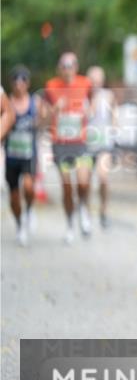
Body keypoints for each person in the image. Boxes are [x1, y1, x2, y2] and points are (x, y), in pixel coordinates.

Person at [44, 52, 94, 243]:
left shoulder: (85, 83)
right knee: (67, 187)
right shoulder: (51, 86)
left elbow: (92, 104)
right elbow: (44, 117)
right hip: (61, 144)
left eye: (70, 65)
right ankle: (70, 224)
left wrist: (88, 110)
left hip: (80, 142)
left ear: (76, 67)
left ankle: (83, 208)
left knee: (82, 182)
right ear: (59, 69)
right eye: (63, 66)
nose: (67, 69)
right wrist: (55, 109)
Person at [4, 67, 40, 246]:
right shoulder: (5, 104)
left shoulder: (35, 102)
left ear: (28, 83)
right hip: (12, 156)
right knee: (14, 197)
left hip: (29, 155)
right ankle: (19, 225)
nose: (19, 83)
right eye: (16, 80)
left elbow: (45, 122)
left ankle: (30, 210)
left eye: (23, 80)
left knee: (28, 186)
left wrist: (44, 118)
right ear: (11, 83)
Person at [86, 66, 118, 228]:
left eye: (98, 80)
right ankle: (85, 211)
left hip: (104, 144)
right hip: (86, 146)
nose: (96, 83)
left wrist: (113, 128)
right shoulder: (84, 96)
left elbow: (114, 114)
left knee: (103, 177)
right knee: (84, 182)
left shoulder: (109, 96)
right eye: (93, 80)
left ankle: (104, 210)